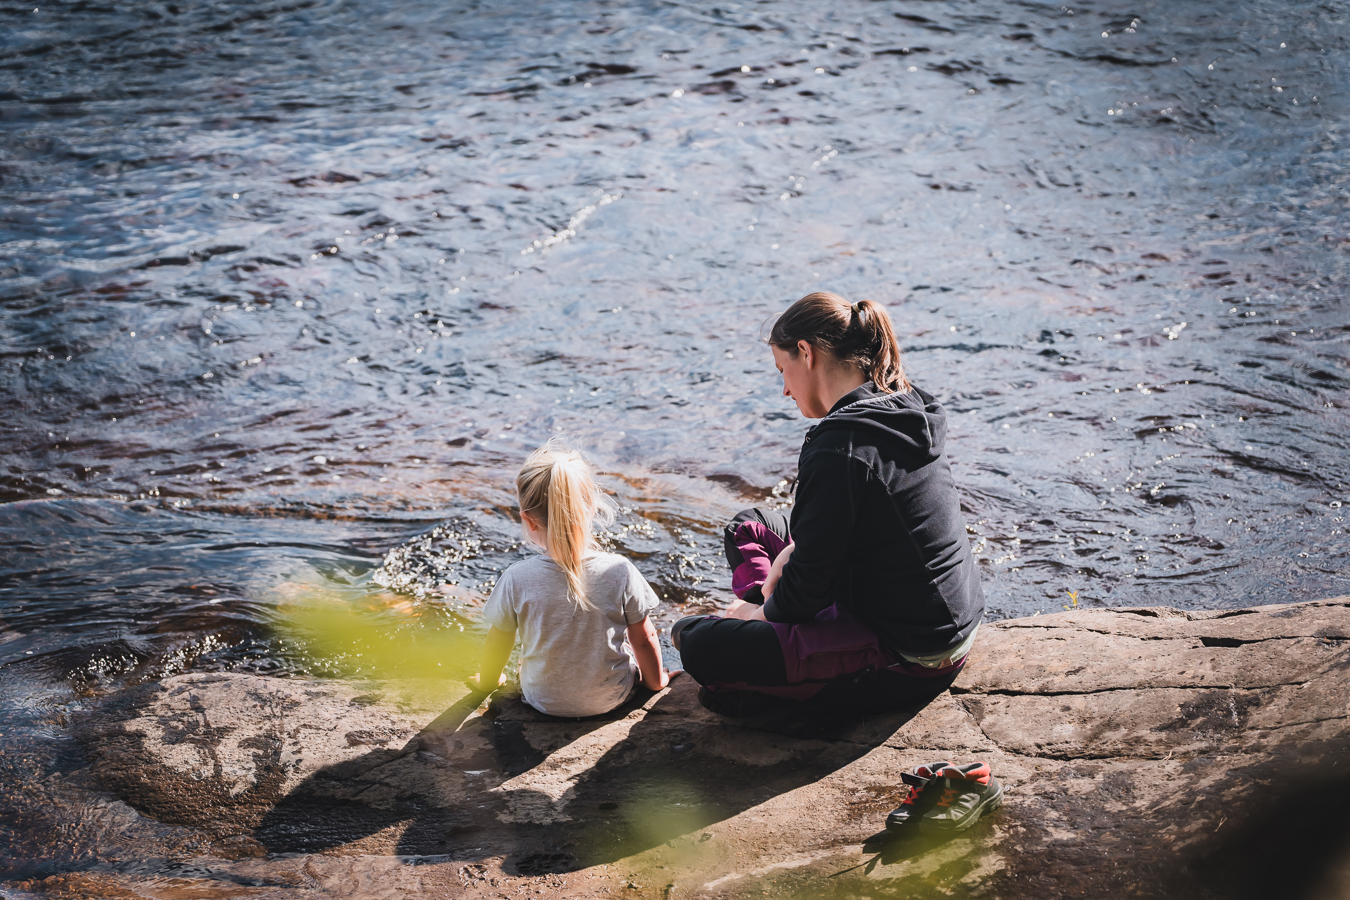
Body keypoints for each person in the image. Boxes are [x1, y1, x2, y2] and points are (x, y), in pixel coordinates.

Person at [673, 291, 984, 716]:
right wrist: (794, 554)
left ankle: (766, 625)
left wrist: (753, 618)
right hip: (943, 622)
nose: (784, 389)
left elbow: (806, 591)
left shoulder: (840, 446)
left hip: (911, 654)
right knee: (749, 524)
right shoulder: (905, 404)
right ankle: (769, 618)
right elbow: (868, 519)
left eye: (783, 370)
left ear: (806, 352)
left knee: (693, 638)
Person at [469, 440, 673, 717]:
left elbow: (499, 640)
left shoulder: (517, 577)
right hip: (610, 697)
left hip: (542, 700)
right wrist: (656, 682)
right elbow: (644, 637)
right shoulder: (619, 570)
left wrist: (488, 683)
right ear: (591, 507)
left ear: (528, 520)